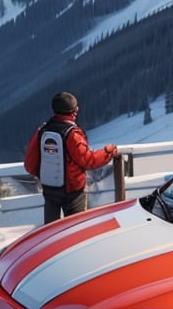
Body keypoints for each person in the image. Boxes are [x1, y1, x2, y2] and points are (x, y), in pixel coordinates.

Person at [24, 92, 117, 224]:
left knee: (50, 229)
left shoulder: (42, 131)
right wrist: (108, 152)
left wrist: (44, 176)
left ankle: (52, 245)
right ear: (73, 112)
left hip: (49, 190)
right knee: (75, 228)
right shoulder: (72, 134)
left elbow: (29, 164)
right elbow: (88, 160)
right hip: (72, 191)